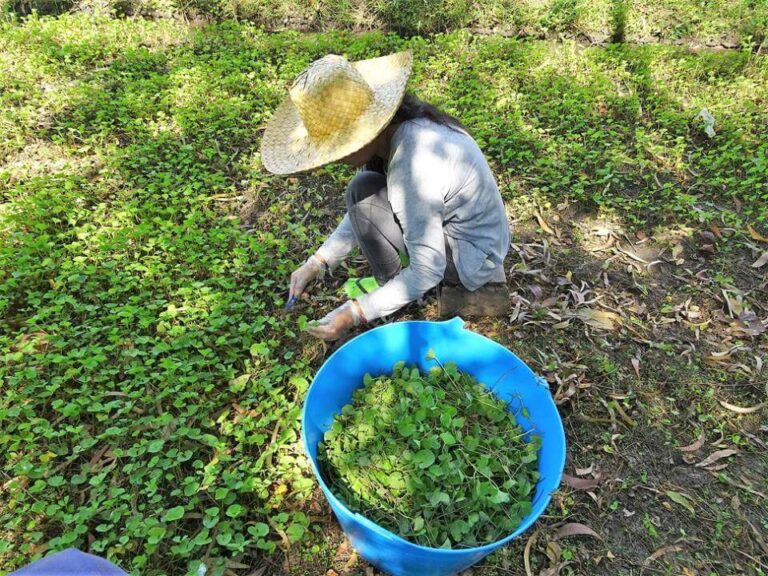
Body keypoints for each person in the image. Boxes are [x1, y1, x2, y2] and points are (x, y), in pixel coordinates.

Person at [260, 50, 510, 341]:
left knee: (364, 192)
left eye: (340, 147)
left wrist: (353, 313)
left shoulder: (414, 162)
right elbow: (361, 206)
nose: (333, 159)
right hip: (458, 237)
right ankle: (390, 287)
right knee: (361, 187)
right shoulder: (398, 133)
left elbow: (428, 268)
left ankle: (393, 291)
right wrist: (317, 262)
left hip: (472, 258)